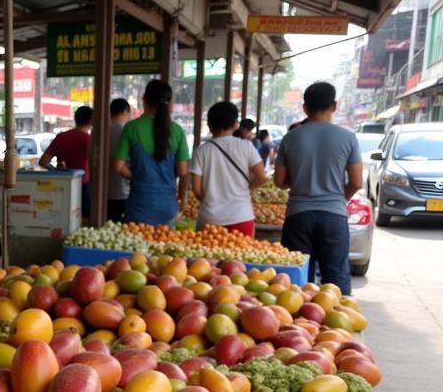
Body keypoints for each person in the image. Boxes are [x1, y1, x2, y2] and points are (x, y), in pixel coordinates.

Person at [274, 81, 362, 295]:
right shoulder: (348, 138)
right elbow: (357, 182)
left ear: (304, 107)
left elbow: (279, 181)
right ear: (334, 105)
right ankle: (338, 325)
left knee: (297, 281)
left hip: (298, 217)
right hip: (334, 216)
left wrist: (297, 181)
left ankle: (300, 327)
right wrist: (341, 199)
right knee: (336, 280)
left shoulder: (290, 138)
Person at [112, 79, 190, 227]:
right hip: (167, 205)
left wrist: (136, 176)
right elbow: (183, 171)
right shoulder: (178, 131)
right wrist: (182, 199)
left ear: (144, 99)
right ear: (168, 103)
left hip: (139, 204)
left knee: (136, 249)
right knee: (163, 248)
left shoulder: (132, 128)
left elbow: (118, 167)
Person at [189, 101, 266, 238]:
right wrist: (246, 191)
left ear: (209, 124)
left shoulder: (201, 151)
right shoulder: (246, 147)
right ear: (236, 124)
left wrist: (211, 200)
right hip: (241, 216)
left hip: (210, 219)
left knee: (207, 259)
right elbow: (261, 177)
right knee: (239, 258)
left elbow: (196, 189)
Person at [41, 105, 92, 218]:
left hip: (62, 185)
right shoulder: (89, 140)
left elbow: (43, 161)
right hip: (84, 187)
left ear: (75, 118)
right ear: (91, 120)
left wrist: (56, 171)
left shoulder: (61, 137)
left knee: (63, 219)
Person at [107, 98, 131, 223]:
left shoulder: (101, 130)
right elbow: (121, 164)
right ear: (126, 111)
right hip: (120, 191)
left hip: (102, 190)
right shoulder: (122, 131)